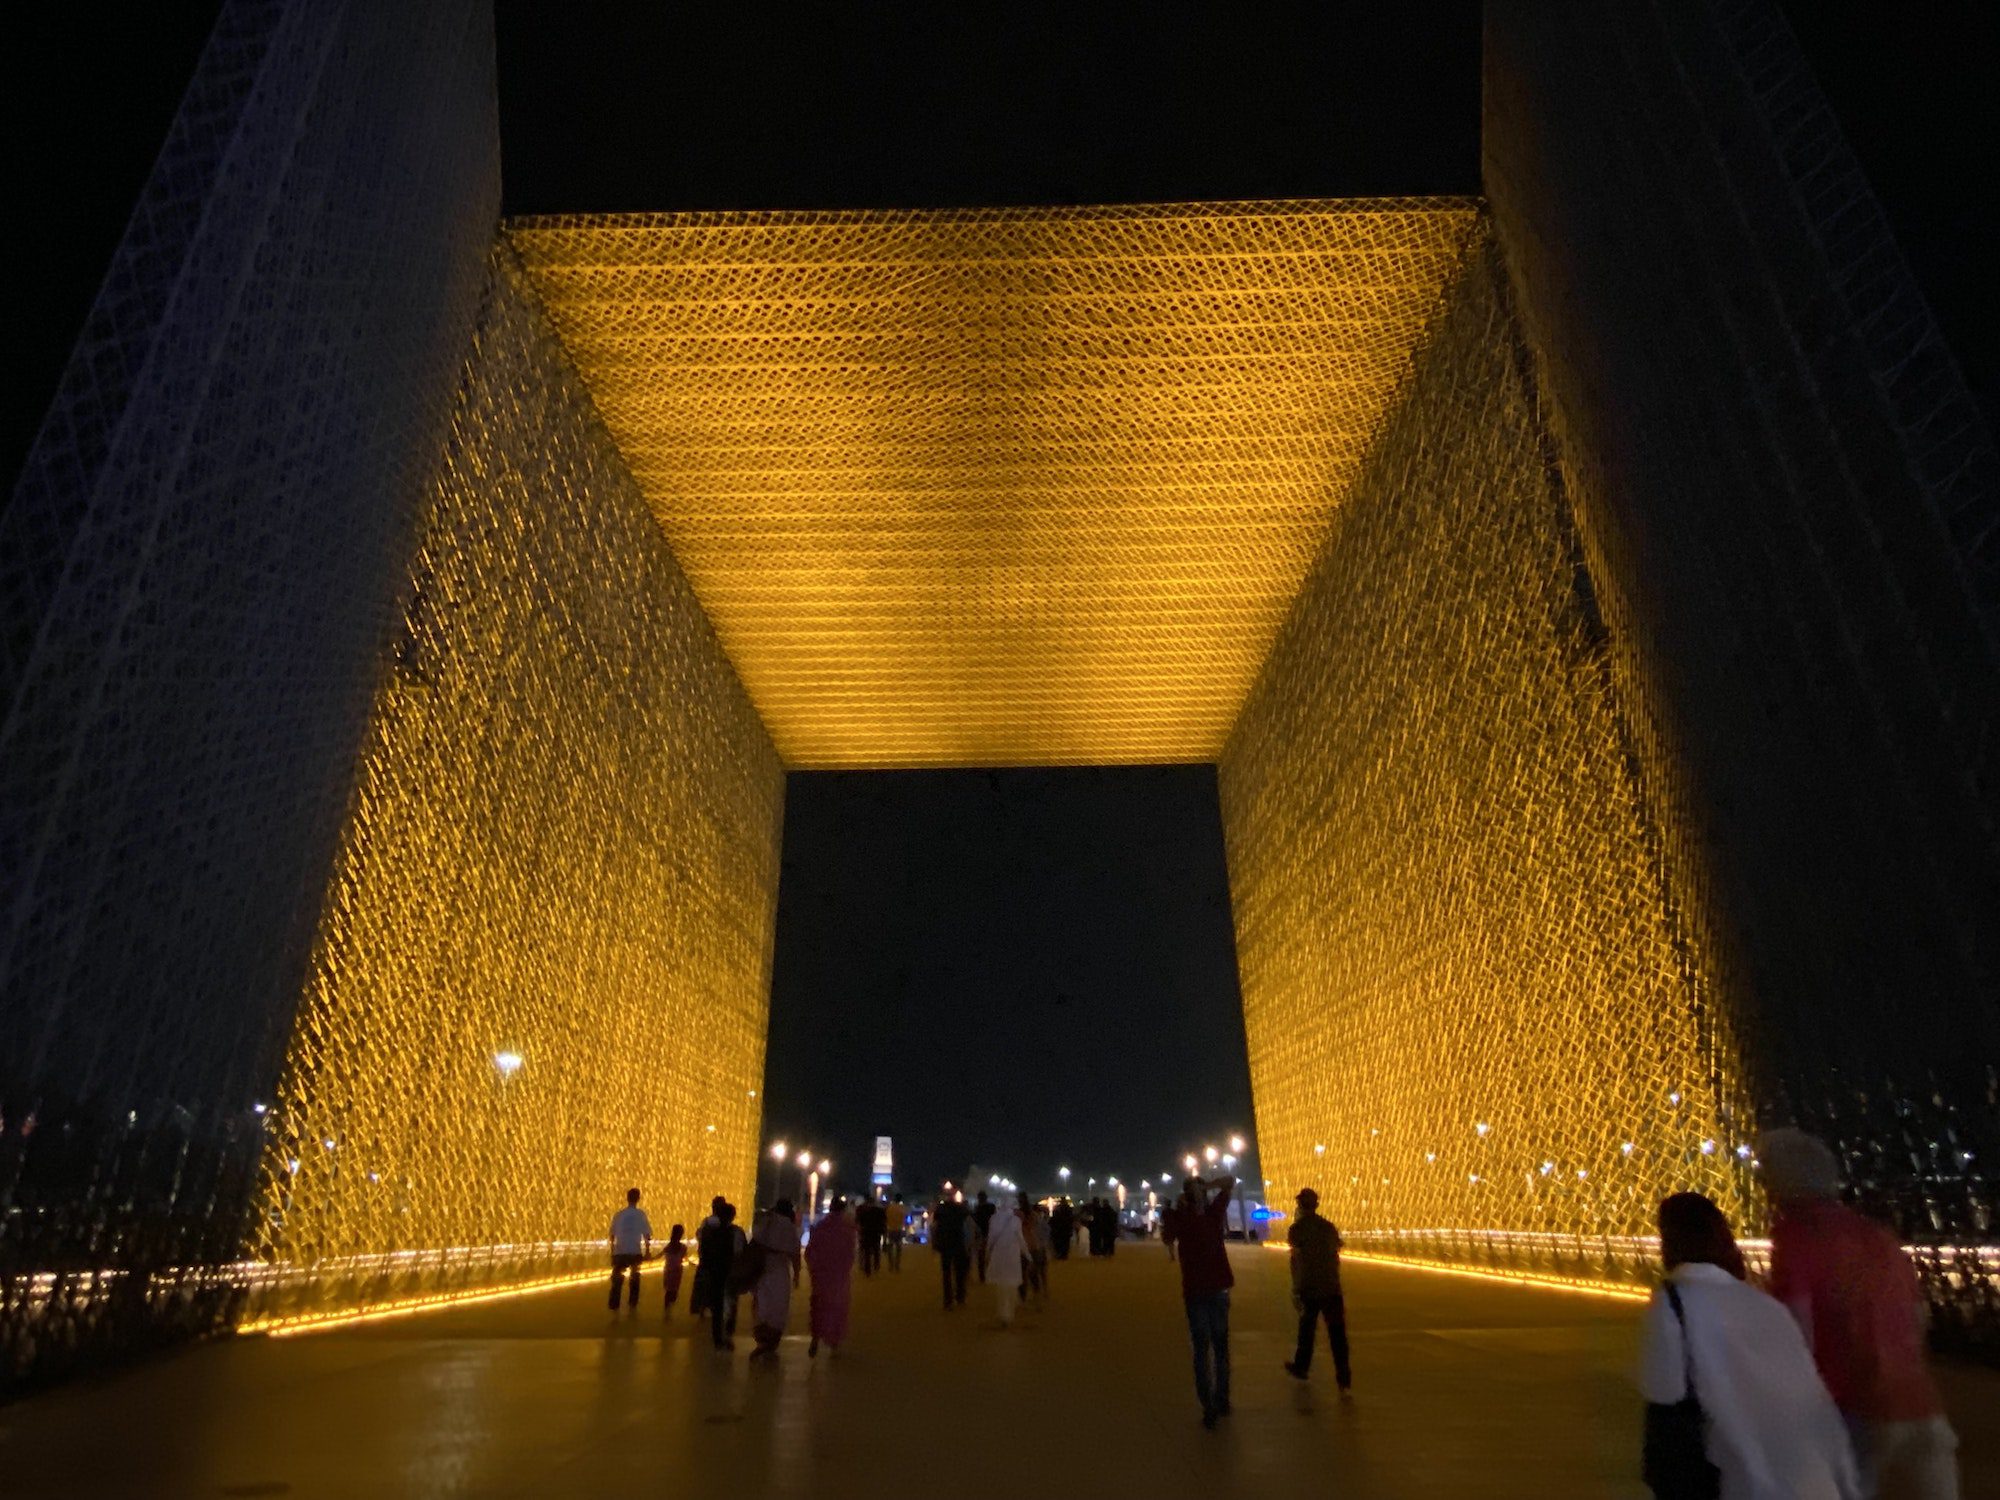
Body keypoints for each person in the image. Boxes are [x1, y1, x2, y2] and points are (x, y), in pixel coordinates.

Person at [1760, 1128, 1960, 1500]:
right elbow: (1916, 1317)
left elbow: (1797, 1329)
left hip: (1856, 1405)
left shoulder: (1796, 1235)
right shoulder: (1876, 1234)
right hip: (1920, 1404)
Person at [1638, 1191, 1858, 1500]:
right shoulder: (1766, 1306)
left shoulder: (1674, 1301)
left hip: (1735, 1474)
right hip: (1804, 1475)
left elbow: (1664, 1389)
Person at [1177, 1175, 1235, 1428]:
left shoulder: (1214, 1213)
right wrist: (1187, 1199)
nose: (1199, 1194)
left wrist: (1205, 1186)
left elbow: (1229, 1180)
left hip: (1217, 1289)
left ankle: (1221, 1398)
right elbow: (1168, 1234)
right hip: (1196, 1292)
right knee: (1202, 1347)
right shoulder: (1182, 1218)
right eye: (1194, 1190)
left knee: (1220, 1346)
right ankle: (1208, 1404)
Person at [1281, 1187, 1350, 1390]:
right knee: (1337, 1333)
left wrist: (1296, 1287)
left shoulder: (1297, 1229)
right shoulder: (1328, 1227)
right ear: (1316, 1204)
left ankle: (1302, 1367)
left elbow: (1296, 1257)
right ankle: (1343, 1376)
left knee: (1307, 1331)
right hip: (1331, 1287)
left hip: (1310, 1287)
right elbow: (1337, 1247)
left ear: (1300, 1205)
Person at [748, 1198, 802, 1356]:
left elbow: (755, 1240)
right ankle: (771, 1342)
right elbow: (795, 1252)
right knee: (778, 1306)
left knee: (762, 1303)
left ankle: (761, 1339)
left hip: (762, 1268)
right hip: (779, 1269)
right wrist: (797, 1274)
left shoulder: (765, 1221)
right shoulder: (789, 1227)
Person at [806, 1196, 858, 1356]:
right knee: (838, 1307)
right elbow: (851, 1253)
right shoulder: (848, 1229)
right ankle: (834, 1340)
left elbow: (810, 1251)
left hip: (821, 1274)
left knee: (819, 1306)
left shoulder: (821, 1227)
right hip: (839, 1275)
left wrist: (813, 1269)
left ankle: (815, 1337)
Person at [693, 1197, 743, 1349]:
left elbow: (702, 1247)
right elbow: (740, 1252)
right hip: (731, 1273)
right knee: (730, 1304)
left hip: (713, 1272)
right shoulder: (736, 1232)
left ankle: (717, 1338)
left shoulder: (708, 1229)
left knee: (717, 1305)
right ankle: (727, 1334)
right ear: (732, 1217)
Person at [986, 1192, 1029, 1326]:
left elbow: (991, 1238)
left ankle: (1002, 1312)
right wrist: (1027, 1254)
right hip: (1012, 1255)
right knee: (1011, 1284)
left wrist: (987, 1252)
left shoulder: (993, 1219)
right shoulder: (1016, 1220)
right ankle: (1009, 1313)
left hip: (999, 1255)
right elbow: (1021, 1239)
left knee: (1001, 1286)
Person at [607, 1187, 652, 1312]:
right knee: (635, 1274)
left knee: (617, 1276)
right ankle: (632, 1303)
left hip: (620, 1251)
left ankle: (614, 1304)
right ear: (638, 1199)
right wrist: (647, 1251)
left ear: (627, 1198)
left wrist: (612, 1252)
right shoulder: (640, 1214)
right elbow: (647, 1235)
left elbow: (612, 1235)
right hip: (634, 1251)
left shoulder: (619, 1214)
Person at [933, 1187, 971, 1309]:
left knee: (946, 1273)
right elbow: (967, 1218)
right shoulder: (960, 1209)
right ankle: (960, 1296)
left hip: (945, 1244)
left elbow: (935, 1225)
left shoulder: (940, 1210)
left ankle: (947, 1300)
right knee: (960, 1272)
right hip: (958, 1243)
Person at [661, 1223, 688, 1316]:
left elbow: (660, 1255)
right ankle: (669, 1312)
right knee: (674, 1290)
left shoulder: (668, 1246)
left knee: (668, 1290)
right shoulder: (683, 1247)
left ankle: (667, 1312)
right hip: (677, 1270)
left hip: (668, 1270)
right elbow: (684, 1257)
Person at [857, 1195, 886, 1276]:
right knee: (876, 1249)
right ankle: (876, 1265)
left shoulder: (862, 1210)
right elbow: (883, 1222)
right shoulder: (879, 1210)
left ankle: (867, 1269)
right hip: (876, 1232)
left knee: (866, 1251)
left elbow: (859, 1221)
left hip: (866, 1232)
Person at [971, 1191, 997, 1281]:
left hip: (981, 1234)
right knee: (989, 1255)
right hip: (989, 1233)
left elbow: (975, 1221)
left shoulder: (977, 1208)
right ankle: (987, 1273)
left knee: (981, 1256)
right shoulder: (991, 1207)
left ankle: (982, 1275)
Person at [886, 1193, 911, 1272]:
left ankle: (891, 1264)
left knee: (890, 1246)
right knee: (898, 1247)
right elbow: (905, 1218)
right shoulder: (902, 1208)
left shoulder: (890, 1207)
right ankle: (897, 1264)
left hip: (890, 1228)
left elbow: (886, 1217)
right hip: (899, 1229)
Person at [1161, 1197, 1182, 1262]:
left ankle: (1171, 1254)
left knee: (1169, 1242)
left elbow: (1162, 1220)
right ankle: (1172, 1254)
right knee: (1171, 1242)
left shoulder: (1164, 1211)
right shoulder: (1173, 1211)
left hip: (1167, 1228)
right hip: (1172, 1228)